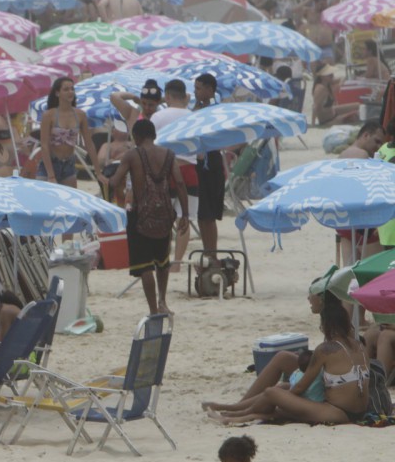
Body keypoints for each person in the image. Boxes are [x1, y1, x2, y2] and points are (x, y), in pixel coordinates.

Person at [208, 292, 369, 425]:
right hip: (359, 411)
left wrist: (285, 399)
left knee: (273, 392)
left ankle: (238, 414)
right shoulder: (360, 345)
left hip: (337, 412)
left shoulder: (326, 349)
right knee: (283, 389)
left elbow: (300, 388)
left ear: (326, 324)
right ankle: (238, 412)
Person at [108, 119, 189, 316]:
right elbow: (179, 183)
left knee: (145, 267)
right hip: (164, 214)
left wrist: (106, 181)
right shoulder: (169, 155)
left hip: (140, 216)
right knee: (162, 262)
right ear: (153, 135)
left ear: (136, 136)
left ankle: (153, 309)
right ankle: (163, 302)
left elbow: (115, 181)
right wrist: (184, 214)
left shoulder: (132, 155)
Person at [37, 77, 101, 189]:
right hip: (50, 164)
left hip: (69, 165)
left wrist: (98, 172)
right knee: (46, 203)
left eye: (72, 89)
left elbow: (89, 143)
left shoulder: (80, 115)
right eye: (66, 89)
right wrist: (51, 175)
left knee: (69, 202)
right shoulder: (49, 115)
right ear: (57, 93)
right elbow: (44, 145)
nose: (70, 92)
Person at [193, 73, 226, 262]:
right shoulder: (197, 108)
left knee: (210, 214)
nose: (196, 92)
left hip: (211, 161)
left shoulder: (216, 110)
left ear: (209, 90)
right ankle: (207, 251)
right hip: (199, 162)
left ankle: (212, 252)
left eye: (198, 88)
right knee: (201, 213)